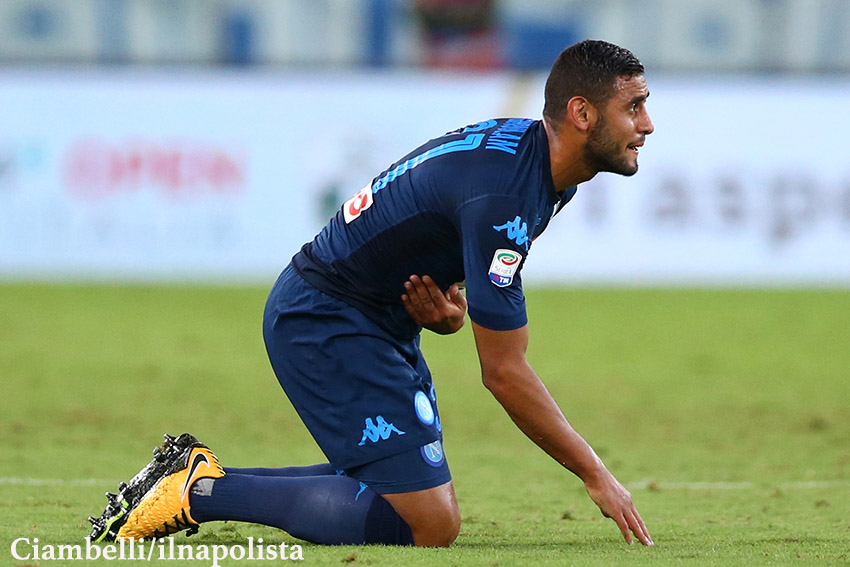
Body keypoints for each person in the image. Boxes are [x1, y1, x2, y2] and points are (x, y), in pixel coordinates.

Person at [88, 39, 655, 548]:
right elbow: (504, 371)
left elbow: (445, 255)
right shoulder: (506, 192)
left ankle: (193, 477)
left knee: (402, 498)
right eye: (633, 106)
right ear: (581, 114)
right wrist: (595, 474)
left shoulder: (536, 169)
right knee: (429, 524)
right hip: (326, 320)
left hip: (376, 322)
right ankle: (198, 495)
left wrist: (451, 312)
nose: (647, 124)